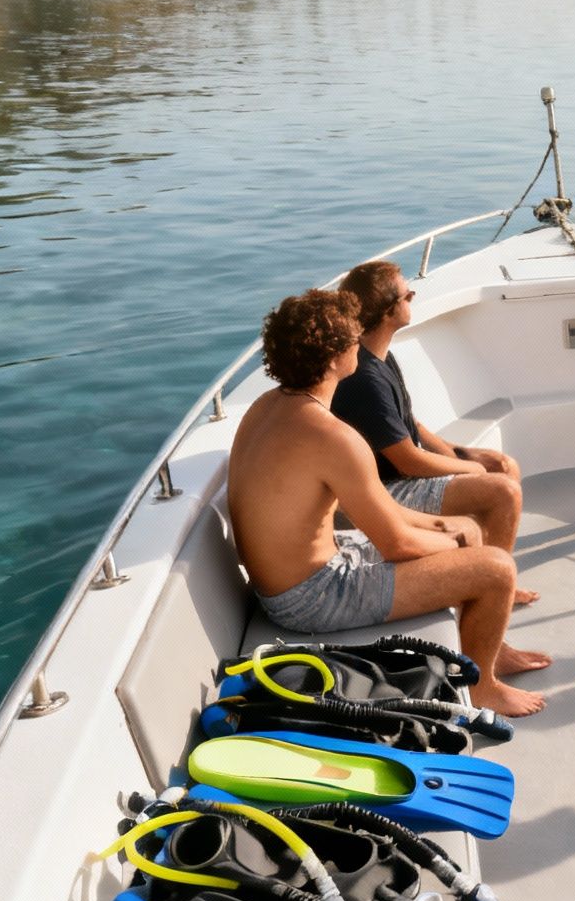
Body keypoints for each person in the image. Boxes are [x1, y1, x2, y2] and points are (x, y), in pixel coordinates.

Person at [228, 289, 547, 717]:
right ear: (334, 357)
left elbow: (384, 509)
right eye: (351, 341)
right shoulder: (333, 437)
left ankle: (489, 648)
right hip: (313, 596)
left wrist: (450, 530)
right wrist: (459, 549)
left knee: (468, 531)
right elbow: (397, 545)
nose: (358, 346)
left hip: (291, 581)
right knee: (496, 569)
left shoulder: (266, 407)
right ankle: (483, 687)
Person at [334, 260, 538, 608]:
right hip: (388, 491)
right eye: (407, 294)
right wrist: (471, 470)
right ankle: (487, 586)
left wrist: (455, 454)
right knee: (503, 491)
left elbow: (411, 425)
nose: (413, 295)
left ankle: (493, 578)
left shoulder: (382, 356)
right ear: (388, 312)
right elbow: (408, 461)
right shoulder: (365, 379)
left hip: (403, 473)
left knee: (504, 465)